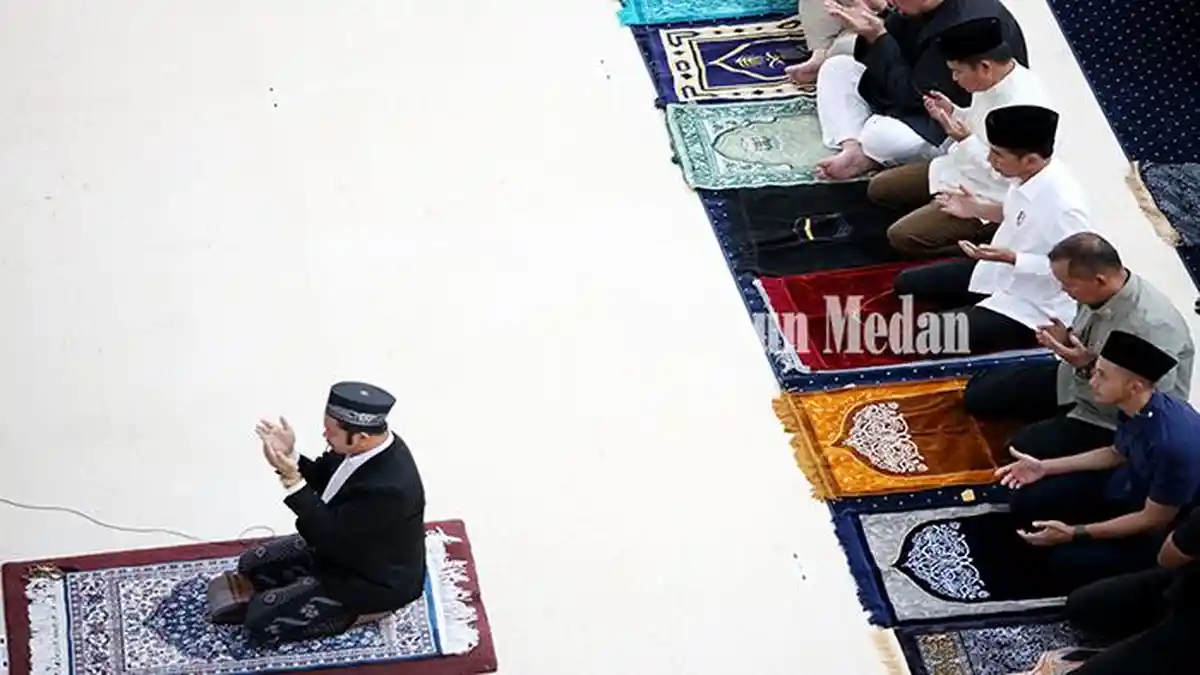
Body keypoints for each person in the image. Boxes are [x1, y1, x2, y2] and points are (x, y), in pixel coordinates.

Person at [218, 381, 427, 644]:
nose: (324, 436)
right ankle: (306, 589)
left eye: (331, 431)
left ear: (361, 437)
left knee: (260, 623)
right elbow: (326, 479)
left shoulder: (390, 489)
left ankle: (358, 614)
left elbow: (325, 535)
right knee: (250, 564)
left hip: (371, 579)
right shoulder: (360, 448)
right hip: (343, 548)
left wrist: (291, 479)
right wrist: (290, 455)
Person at [996, 330, 1200, 592]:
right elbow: (1116, 453)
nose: (1092, 381)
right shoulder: (1135, 407)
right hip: (1129, 487)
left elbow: (1153, 519)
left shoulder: (1174, 444)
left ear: (1134, 386)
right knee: (1028, 502)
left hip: (1160, 530)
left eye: (1102, 375)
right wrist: (1045, 467)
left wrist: (1075, 532)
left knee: (1065, 565)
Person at [964, 233, 1194, 460]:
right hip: (1075, 379)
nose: (1064, 292)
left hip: (1109, 415)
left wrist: (1086, 365)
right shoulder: (1096, 294)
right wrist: (1066, 340)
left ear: (1100, 280)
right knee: (979, 393)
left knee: (1019, 450)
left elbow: (1146, 402)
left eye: (1068, 285)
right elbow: (1085, 345)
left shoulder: (1151, 326)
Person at [890, 105, 1089, 355]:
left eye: (996, 154)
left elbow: (1078, 270)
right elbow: (1017, 211)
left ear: (1029, 160)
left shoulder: (1066, 207)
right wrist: (977, 209)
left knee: (920, 338)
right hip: (998, 270)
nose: (989, 160)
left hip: (1034, 302)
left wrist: (1013, 258)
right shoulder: (1028, 175)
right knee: (906, 284)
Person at [866, 16, 1052, 257]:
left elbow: (1007, 174)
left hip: (988, 195)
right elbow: (978, 122)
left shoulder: (1023, 107)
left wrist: (965, 141)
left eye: (957, 72)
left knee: (901, 237)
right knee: (879, 189)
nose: (954, 79)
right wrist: (953, 111)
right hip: (959, 168)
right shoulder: (993, 80)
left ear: (984, 66)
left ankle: (984, 244)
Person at [812, 0, 1028, 180]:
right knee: (837, 68)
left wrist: (878, 36)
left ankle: (869, 150)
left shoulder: (961, 26)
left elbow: (917, 96)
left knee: (879, 137)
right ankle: (853, 148)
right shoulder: (921, 6)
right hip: (914, 87)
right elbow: (898, 48)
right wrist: (877, 22)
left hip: (949, 117)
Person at [1060, 505, 1200, 672]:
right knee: (1082, 605)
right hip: (1184, 579)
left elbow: (1166, 548)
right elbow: (1171, 557)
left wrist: (1075, 532)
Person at [784, 0, 884, 86]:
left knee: (842, 48)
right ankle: (820, 53)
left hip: (884, 22)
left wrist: (881, 7)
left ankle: (827, 56)